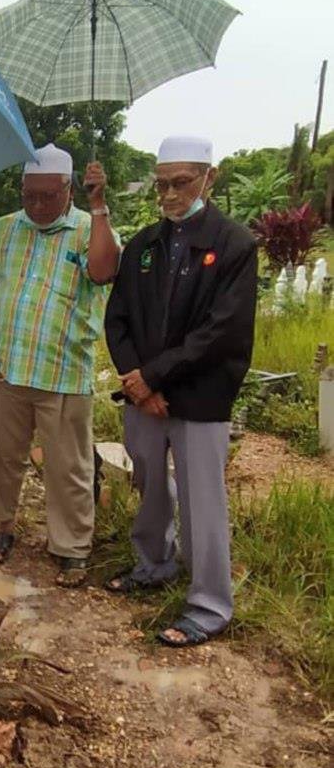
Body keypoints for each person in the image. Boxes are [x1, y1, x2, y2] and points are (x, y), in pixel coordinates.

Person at [104, 135, 258, 646]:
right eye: (162, 184)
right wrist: (137, 381)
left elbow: (222, 331)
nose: (169, 194)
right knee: (148, 479)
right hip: (145, 395)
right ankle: (154, 562)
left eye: (181, 182)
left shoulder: (233, 245)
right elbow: (118, 318)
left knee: (201, 499)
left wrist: (155, 376)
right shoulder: (144, 246)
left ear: (208, 179)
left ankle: (210, 604)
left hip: (200, 395)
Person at [0, 145, 119, 587]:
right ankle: (0, 529)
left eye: (47, 197)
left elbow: (105, 270)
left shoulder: (90, 229)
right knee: (3, 459)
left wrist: (99, 206)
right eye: (28, 195)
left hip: (64, 373)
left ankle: (71, 547)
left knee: (68, 466)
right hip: (7, 369)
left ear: (68, 190)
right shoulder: (1, 230)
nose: (36, 205)